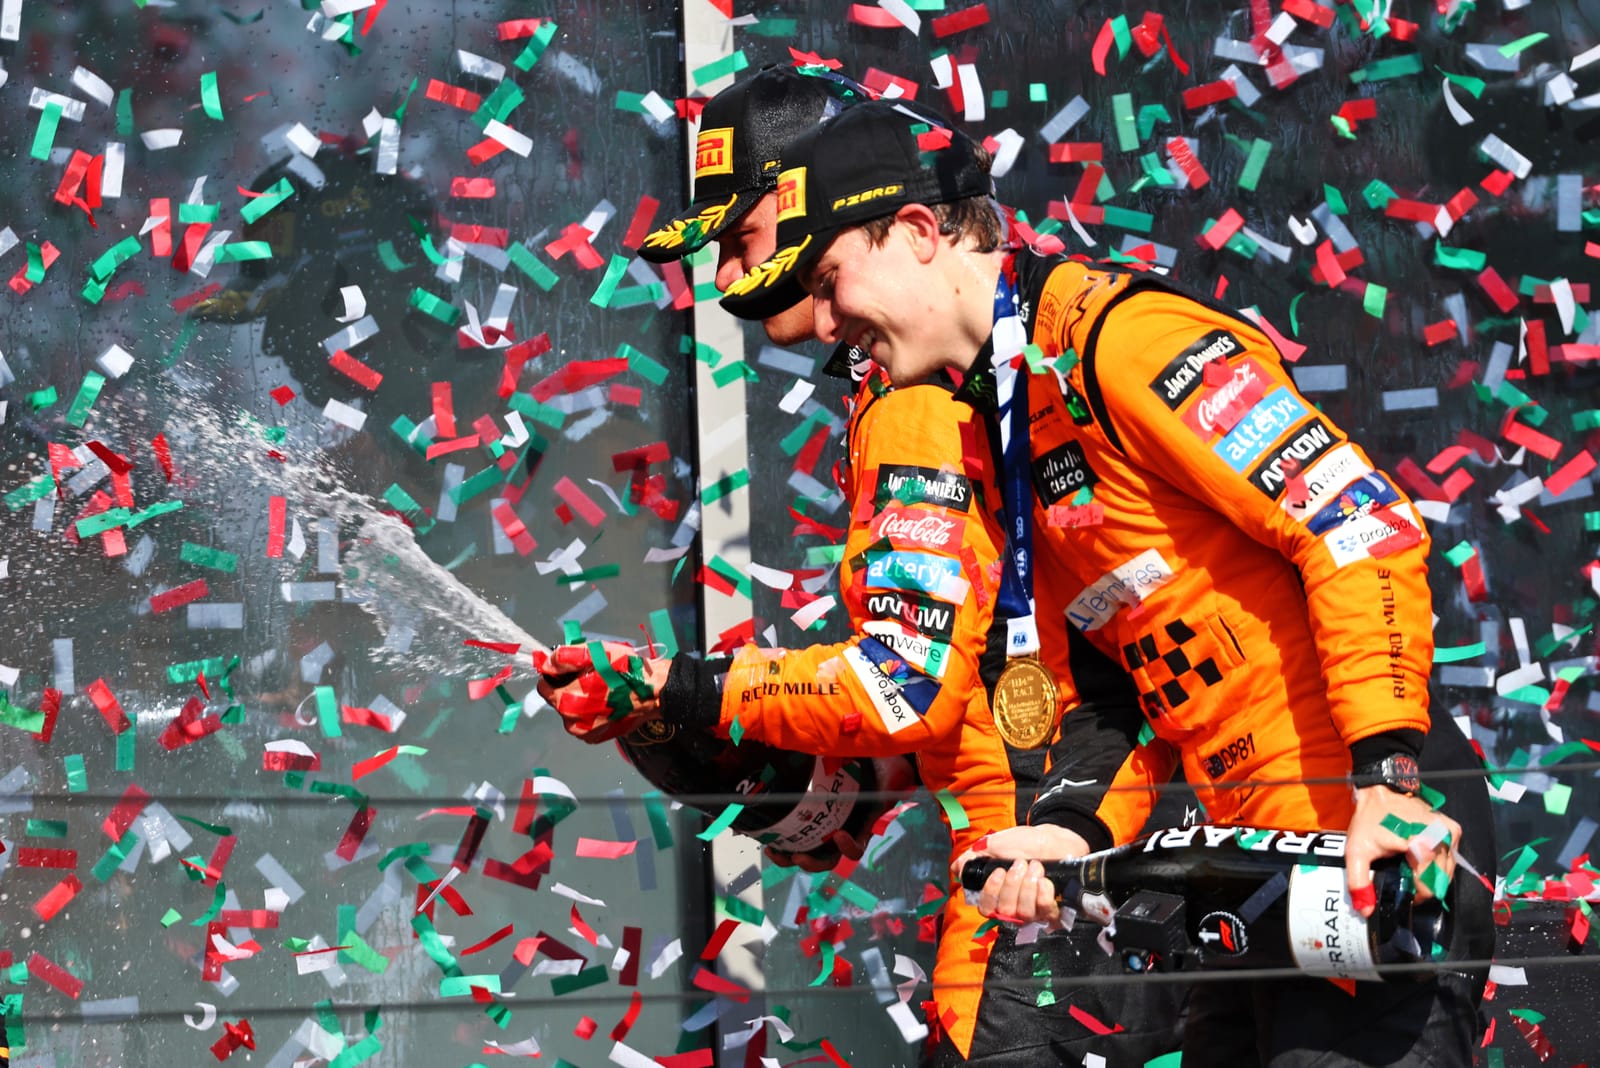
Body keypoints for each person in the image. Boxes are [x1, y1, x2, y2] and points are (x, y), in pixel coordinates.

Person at [716, 98, 1495, 1068]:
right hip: (1246, 864)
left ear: (917, 232)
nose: (827, 324)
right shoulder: (994, 412)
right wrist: (1066, 831)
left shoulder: (1119, 339)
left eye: (830, 282)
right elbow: (1108, 683)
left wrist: (1388, 779)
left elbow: (1357, 525)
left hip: (1375, 829)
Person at [548, 66, 1185, 1065]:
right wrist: (718, 746)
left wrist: (687, 688)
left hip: (1051, 858)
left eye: (742, 236)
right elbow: (947, 694)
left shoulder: (914, 387)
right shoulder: (930, 362)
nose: (726, 275)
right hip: (1063, 847)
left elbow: (906, 690)